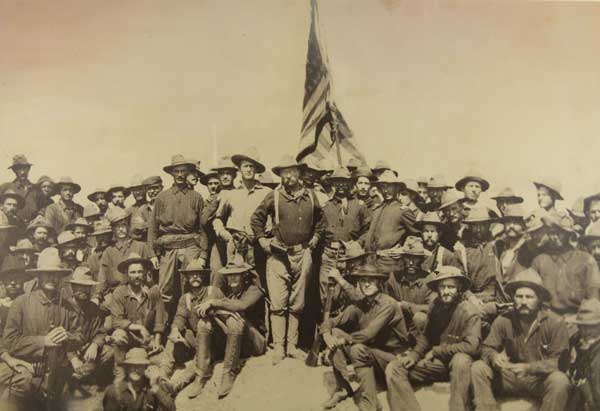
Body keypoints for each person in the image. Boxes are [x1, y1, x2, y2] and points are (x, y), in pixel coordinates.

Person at [320, 263, 424, 411]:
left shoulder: (388, 304)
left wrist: (342, 341)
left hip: (393, 361)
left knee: (357, 348)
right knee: (336, 332)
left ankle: (370, 404)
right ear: (358, 284)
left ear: (379, 282)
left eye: (371, 280)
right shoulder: (360, 304)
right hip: (371, 356)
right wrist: (326, 335)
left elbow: (368, 334)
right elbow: (331, 322)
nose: (366, 284)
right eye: (363, 280)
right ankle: (342, 389)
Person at [251, 154, 323, 364]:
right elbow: (256, 219)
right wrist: (263, 241)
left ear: (299, 173)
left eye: (291, 171)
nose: (288, 176)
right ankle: (279, 348)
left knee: (297, 302)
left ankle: (292, 346)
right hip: (278, 255)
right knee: (278, 302)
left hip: (303, 254)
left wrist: (316, 238)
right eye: (284, 172)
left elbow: (320, 221)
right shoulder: (273, 196)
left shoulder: (311, 196)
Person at [470, 268, 570, 411]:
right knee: (478, 368)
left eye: (529, 297)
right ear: (513, 298)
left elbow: (560, 362)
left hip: (539, 380)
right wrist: (494, 357)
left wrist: (530, 368)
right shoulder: (504, 319)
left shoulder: (555, 322)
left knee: (560, 381)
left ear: (539, 299)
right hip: (510, 377)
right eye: (519, 296)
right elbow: (487, 348)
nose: (523, 301)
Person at [386, 265, 480, 411]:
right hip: (438, 363)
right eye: (442, 287)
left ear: (459, 288)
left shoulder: (469, 311)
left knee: (461, 360)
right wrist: (415, 354)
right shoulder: (435, 305)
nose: (446, 291)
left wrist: (437, 351)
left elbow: (471, 346)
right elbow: (427, 336)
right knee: (395, 367)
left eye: (451, 287)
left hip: (460, 365)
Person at [3, 248, 84, 410]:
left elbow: (80, 336)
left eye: (55, 274)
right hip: (26, 373)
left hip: (57, 376)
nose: (51, 278)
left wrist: (68, 336)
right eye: (47, 273)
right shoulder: (21, 303)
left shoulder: (69, 307)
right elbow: (10, 342)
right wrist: (43, 342)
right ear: (38, 276)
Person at [190, 261, 266, 399]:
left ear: (244, 276)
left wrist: (214, 304)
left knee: (235, 320)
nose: (232, 278)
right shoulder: (224, 292)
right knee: (204, 323)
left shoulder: (254, 290)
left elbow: (241, 306)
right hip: (233, 342)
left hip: (255, 343)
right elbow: (200, 309)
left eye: (236, 275)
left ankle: (229, 372)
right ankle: (201, 376)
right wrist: (222, 311)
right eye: (229, 275)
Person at [148, 155, 208, 308]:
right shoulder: (162, 197)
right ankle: (164, 327)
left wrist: (203, 255)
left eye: (183, 171)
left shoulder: (196, 197)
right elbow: (153, 227)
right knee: (164, 287)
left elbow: (203, 229)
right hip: (169, 248)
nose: (180, 175)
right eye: (177, 171)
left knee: (191, 286)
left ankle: (190, 323)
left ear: (188, 172)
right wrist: (152, 254)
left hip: (191, 247)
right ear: (172, 174)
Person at [531, 210, 600, 330]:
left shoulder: (586, 260)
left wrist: (577, 318)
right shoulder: (539, 261)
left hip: (578, 322)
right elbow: (531, 296)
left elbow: (594, 299)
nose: (555, 236)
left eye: (560, 232)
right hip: (546, 321)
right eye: (552, 232)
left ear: (569, 234)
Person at [160, 260, 219, 396]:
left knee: (199, 357)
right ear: (186, 278)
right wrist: (175, 331)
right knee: (173, 338)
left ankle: (175, 386)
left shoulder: (213, 291)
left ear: (203, 276)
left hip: (215, 341)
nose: (195, 277)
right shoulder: (185, 298)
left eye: (198, 274)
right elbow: (179, 317)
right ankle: (163, 376)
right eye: (191, 275)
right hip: (197, 339)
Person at [107, 253, 167, 381]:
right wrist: (139, 327)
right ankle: (120, 374)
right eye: (133, 272)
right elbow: (117, 321)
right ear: (127, 274)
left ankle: (153, 379)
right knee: (118, 334)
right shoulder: (120, 292)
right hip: (128, 338)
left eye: (140, 272)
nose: (136, 275)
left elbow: (159, 319)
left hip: (146, 340)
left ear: (145, 272)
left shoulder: (154, 292)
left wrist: (157, 340)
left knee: (162, 361)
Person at [212, 146, 271, 272]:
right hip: (236, 246)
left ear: (256, 170)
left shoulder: (267, 193)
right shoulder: (230, 194)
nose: (249, 169)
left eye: (252, 166)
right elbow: (217, 219)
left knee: (259, 285)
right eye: (245, 166)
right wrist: (223, 233)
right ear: (239, 169)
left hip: (258, 246)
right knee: (236, 283)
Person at [320, 168, 371, 303]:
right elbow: (319, 230)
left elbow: (368, 230)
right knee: (325, 292)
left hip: (351, 257)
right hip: (329, 255)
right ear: (332, 184)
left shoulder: (359, 206)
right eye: (338, 182)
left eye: (344, 182)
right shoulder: (326, 206)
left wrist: (358, 243)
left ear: (350, 184)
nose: (341, 186)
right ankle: (326, 321)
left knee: (348, 292)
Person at [362, 170, 417, 274]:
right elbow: (369, 232)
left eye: (389, 186)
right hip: (371, 263)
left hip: (390, 265)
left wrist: (403, 250)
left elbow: (417, 236)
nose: (386, 190)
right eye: (383, 187)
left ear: (397, 188)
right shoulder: (377, 210)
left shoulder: (403, 211)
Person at [98, 208, 156, 302]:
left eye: (123, 225)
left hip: (139, 292)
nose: (120, 229)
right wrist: (99, 296)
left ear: (128, 226)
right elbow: (102, 279)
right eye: (117, 226)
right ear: (113, 229)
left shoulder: (141, 246)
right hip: (116, 295)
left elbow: (150, 275)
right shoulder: (108, 251)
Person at [67, 267, 112, 384]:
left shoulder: (93, 308)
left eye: (87, 287)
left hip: (85, 350)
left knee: (108, 351)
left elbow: (101, 331)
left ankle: (84, 374)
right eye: (80, 286)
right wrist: (73, 358)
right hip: (66, 354)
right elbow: (60, 338)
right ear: (72, 287)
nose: (84, 290)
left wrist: (95, 344)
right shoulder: (64, 308)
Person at [384, 237, 434, 330]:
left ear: (422, 259)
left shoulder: (430, 279)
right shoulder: (394, 277)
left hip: (422, 326)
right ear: (402, 258)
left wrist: (407, 306)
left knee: (420, 318)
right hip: (398, 321)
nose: (411, 262)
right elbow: (385, 302)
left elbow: (432, 307)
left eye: (415, 258)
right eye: (407, 257)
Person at [102, 347, 175, 411]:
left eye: (140, 366)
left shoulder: (151, 389)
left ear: (146, 368)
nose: (136, 369)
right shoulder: (114, 391)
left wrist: (155, 387)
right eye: (132, 366)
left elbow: (172, 409)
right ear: (127, 368)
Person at [560, 299, 600, 411]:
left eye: (592, 326)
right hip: (578, 392)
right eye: (582, 326)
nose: (586, 331)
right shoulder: (576, 339)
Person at [455, 207, 499, 306]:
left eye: (482, 225)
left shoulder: (497, 245)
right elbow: (459, 280)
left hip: (495, 296)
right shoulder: (461, 250)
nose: (478, 229)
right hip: (472, 298)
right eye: (475, 225)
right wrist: (470, 297)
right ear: (469, 227)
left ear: (488, 225)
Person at [0, 155, 44, 224]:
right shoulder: (5, 187)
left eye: (25, 168)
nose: (22, 172)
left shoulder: (36, 189)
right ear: (14, 171)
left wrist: (40, 215)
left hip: (31, 229)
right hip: (12, 228)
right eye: (19, 169)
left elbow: (46, 205)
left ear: (29, 169)